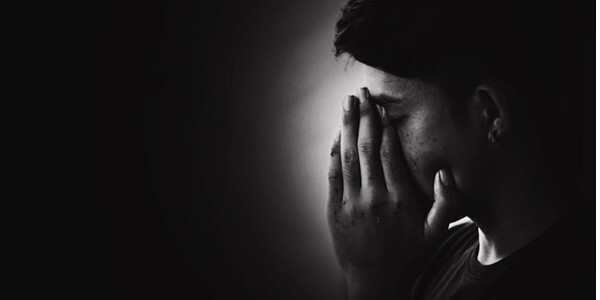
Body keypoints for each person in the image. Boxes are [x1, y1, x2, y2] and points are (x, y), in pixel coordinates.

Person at [326, 0, 594, 299]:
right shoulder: (430, 254)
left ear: (490, 112)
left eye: (394, 117)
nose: (375, 141)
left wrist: (372, 284)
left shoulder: (573, 278)